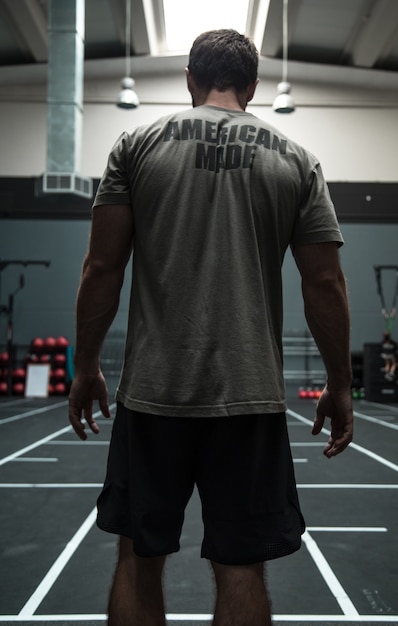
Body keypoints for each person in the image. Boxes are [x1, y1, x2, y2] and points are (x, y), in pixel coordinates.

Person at [69, 29, 353, 626]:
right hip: (249, 398)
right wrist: (340, 385)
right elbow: (324, 283)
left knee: (138, 558)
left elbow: (101, 266)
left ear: (190, 81)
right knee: (243, 567)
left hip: (152, 395)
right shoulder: (298, 160)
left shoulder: (135, 146)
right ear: (251, 87)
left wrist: (85, 366)